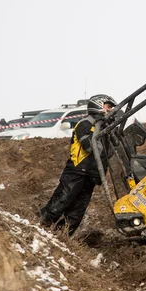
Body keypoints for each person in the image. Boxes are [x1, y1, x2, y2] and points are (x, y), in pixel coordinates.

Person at [40, 94, 116, 236]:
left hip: (91, 175)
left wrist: (113, 131)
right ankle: (41, 227)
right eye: (108, 106)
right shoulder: (85, 124)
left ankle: (61, 237)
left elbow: (109, 152)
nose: (111, 110)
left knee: (76, 213)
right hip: (77, 171)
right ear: (99, 106)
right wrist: (101, 127)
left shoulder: (106, 128)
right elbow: (90, 146)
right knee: (61, 201)